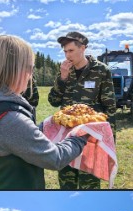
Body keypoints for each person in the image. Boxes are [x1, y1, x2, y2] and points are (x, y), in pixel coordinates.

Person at [0, 35, 89, 189]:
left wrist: (48, 124)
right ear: (14, 70)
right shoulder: (10, 119)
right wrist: (81, 134)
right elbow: (55, 158)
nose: (30, 76)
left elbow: (21, 137)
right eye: (30, 68)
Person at [48, 31, 116, 190]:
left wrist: (109, 139)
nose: (67, 55)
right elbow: (53, 101)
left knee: (90, 185)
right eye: (65, 51)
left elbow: (110, 107)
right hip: (67, 137)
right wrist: (62, 79)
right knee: (67, 184)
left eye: (70, 51)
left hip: (90, 138)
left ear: (83, 48)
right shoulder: (65, 71)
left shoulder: (101, 70)